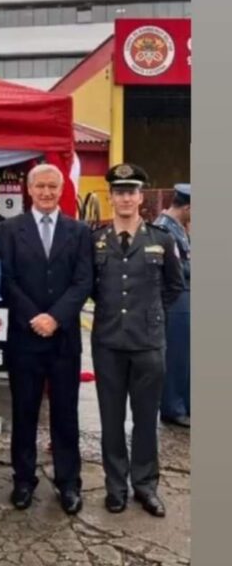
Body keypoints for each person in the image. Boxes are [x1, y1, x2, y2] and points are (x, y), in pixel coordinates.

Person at [0, 164, 93, 515]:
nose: (48, 192)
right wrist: (34, 317)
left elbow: (84, 281)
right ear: (29, 189)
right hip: (25, 336)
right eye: (41, 186)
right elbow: (6, 280)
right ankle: (23, 480)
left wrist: (56, 317)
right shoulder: (10, 230)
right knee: (24, 411)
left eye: (53, 186)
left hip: (64, 338)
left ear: (61, 188)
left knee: (65, 414)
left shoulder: (79, 230)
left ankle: (68, 482)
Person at [91, 163, 184, 517]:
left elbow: (174, 286)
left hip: (148, 344)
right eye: (119, 191)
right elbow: (91, 287)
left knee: (146, 420)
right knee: (111, 420)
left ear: (140, 197)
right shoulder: (96, 240)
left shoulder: (162, 240)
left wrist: (151, 314)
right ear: (111, 197)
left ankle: (145, 486)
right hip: (109, 343)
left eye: (131, 191)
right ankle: (116, 487)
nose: (125, 197)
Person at [154, 184, 191, 428]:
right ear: (188, 207)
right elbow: (177, 269)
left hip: (184, 298)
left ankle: (183, 405)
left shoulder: (178, 228)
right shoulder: (165, 229)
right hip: (175, 300)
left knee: (185, 356)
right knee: (175, 356)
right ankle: (172, 408)